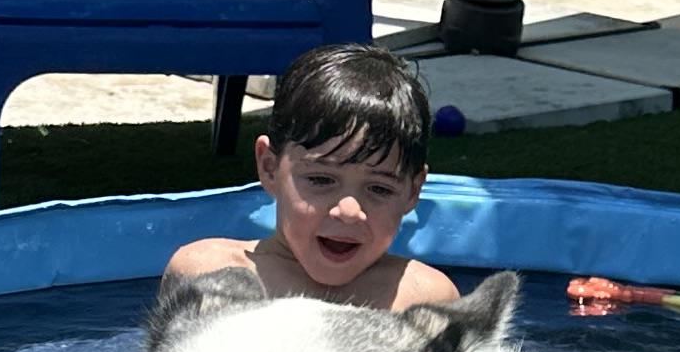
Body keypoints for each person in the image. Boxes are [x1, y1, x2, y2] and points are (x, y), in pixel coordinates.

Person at [163, 42, 462, 312]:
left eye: (379, 188)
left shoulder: (422, 300)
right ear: (269, 168)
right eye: (321, 180)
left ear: (412, 191)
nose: (348, 212)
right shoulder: (208, 275)